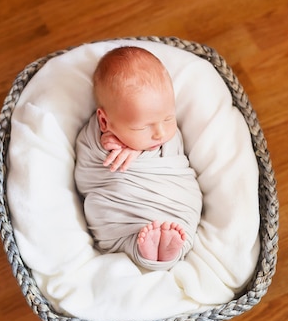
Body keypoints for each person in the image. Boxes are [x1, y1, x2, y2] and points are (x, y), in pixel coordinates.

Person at [74, 46, 202, 270]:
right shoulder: (92, 138)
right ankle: (141, 249)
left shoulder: (167, 137)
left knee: (179, 223)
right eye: (143, 127)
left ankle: (170, 248)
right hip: (123, 208)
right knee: (102, 212)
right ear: (104, 122)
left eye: (168, 118)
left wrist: (140, 150)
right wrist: (103, 146)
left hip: (173, 200)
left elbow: (174, 152)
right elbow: (86, 178)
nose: (160, 133)